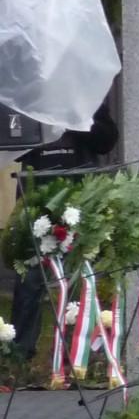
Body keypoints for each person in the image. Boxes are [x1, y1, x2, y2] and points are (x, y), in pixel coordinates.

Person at [10, 103, 119, 361]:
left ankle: (80, 356)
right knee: (29, 280)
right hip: (36, 198)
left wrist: (76, 119)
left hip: (82, 198)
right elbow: (13, 144)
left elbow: (106, 141)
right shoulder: (27, 95)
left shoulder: (84, 96)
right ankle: (18, 357)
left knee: (82, 279)